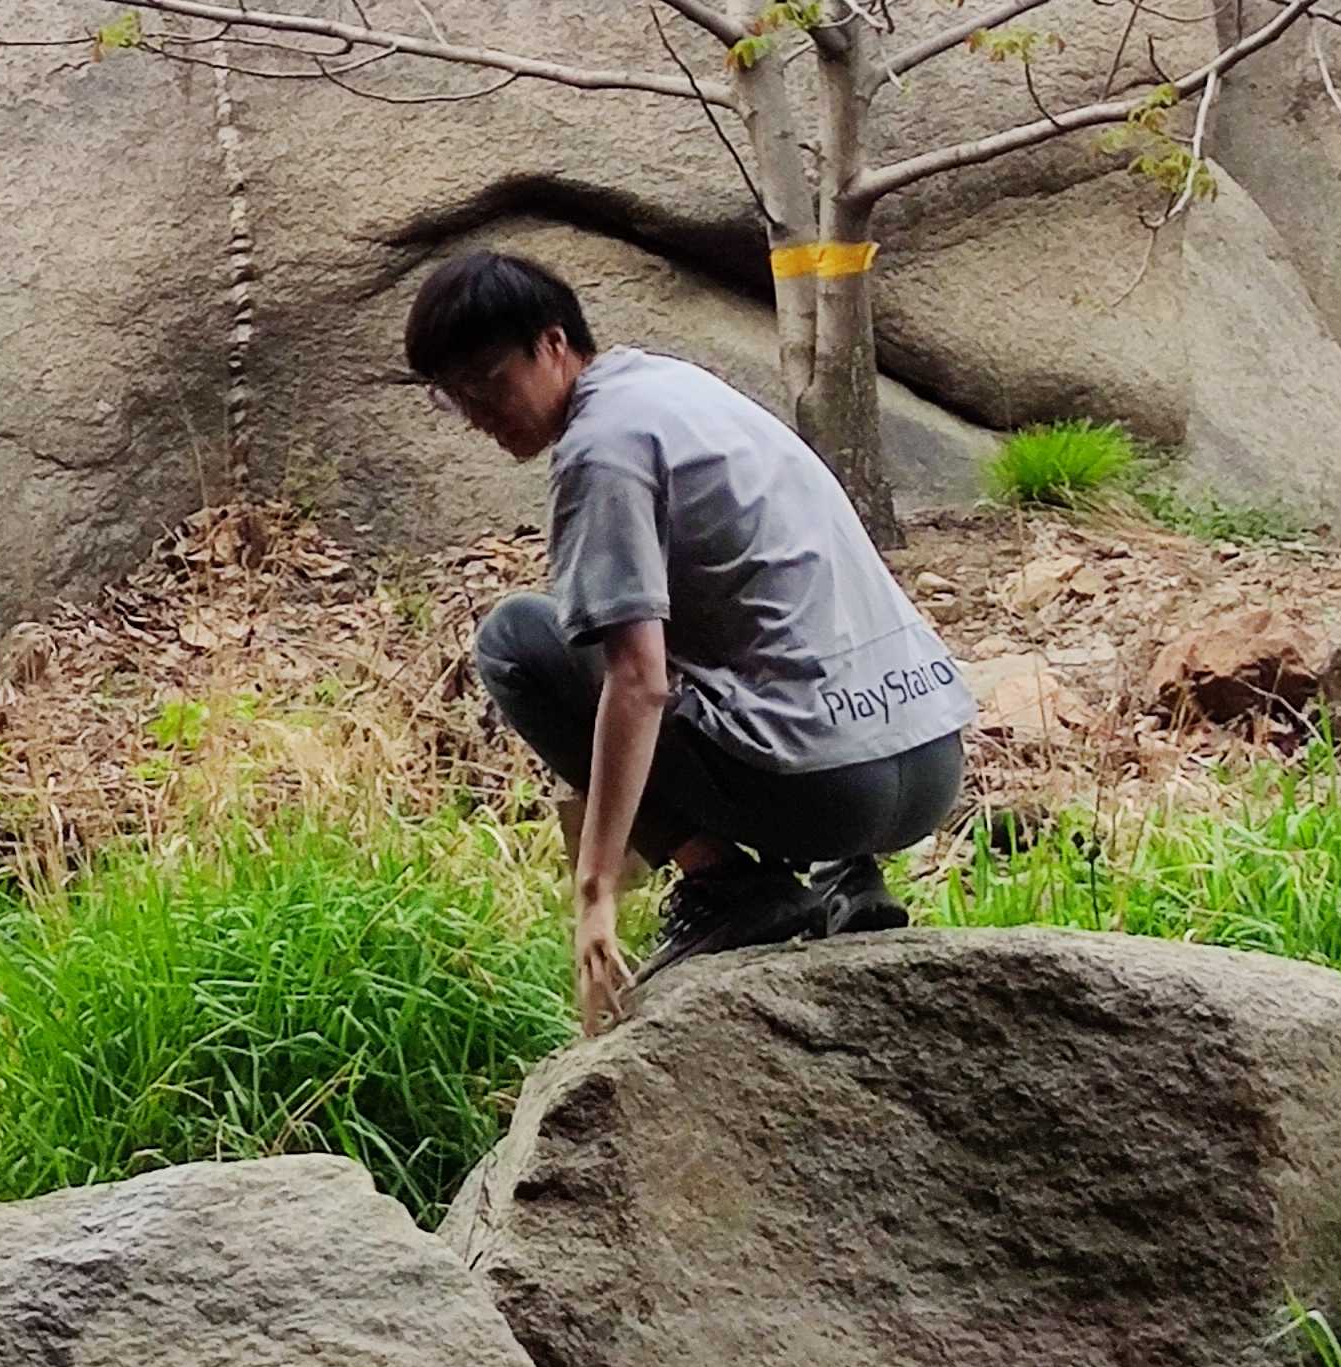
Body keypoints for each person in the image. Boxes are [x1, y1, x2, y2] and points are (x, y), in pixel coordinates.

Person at [403, 243, 971, 1025]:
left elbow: (639, 682)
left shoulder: (600, 451)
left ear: (553, 345)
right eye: (453, 398)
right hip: (930, 760)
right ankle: (850, 877)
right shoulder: (678, 388)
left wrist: (596, 887)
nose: (478, 416)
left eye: (489, 385)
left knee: (516, 640)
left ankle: (725, 885)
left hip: (829, 792)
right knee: (738, 643)